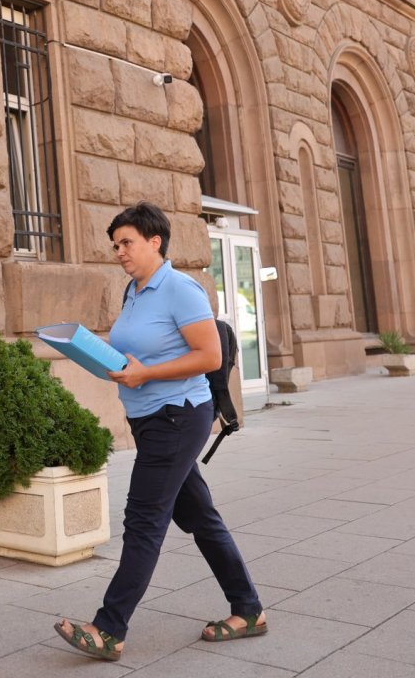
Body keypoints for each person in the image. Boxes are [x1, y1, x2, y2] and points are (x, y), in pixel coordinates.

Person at [54, 202, 264, 662]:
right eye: (115, 245)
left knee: (144, 520)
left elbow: (209, 357)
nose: (119, 251)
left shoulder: (179, 289)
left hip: (177, 416)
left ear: (155, 242)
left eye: (126, 242)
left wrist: (146, 375)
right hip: (150, 419)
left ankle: (109, 628)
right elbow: (139, 353)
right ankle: (248, 610)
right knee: (200, 518)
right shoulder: (135, 291)